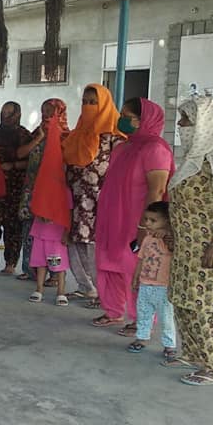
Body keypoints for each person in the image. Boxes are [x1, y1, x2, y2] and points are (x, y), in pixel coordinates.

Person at [92, 98, 174, 333]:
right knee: (109, 264)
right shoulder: (123, 147)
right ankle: (113, 311)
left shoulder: (155, 149)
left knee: (136, 270)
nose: (122, 120)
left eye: (128, 116)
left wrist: (145, 227)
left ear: (145, 119)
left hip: (137, 220)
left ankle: (142, 319)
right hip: (112, 217)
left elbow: (156, 190)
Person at [167, 96, 213, 384]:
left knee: (205, 305)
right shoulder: (191, 160)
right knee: (183, 300)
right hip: (185, 245)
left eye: (186, 119)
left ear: (204, 124)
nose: (180, 124)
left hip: (208, 249)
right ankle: (193, 353)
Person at [63, 85, 121, 307]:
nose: (88, 106)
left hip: (100, 201)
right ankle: (85, 287)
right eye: (85, 102)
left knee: (93, 246)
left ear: (105, 104)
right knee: (74, 242)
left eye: (93, 102)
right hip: (75, 199)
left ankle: (103, 292)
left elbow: (120, 169)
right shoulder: (78, 132)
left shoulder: (114, 136)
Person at [16, 99, 68, 282]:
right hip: (32, 189)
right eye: (44, 110)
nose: (46, 115)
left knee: (52, 236)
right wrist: (39, 137)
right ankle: (31, 270)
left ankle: (55, 274)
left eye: (51, 111)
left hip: (54, 193)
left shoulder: (66, 136)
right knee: (30, 231)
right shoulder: (36, 133)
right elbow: (21, 154)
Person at [0, 101, 32, 275]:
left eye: (10, 113)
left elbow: (33, 162)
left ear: (18, 114)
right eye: (4, 112)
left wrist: (13, 165)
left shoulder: (25, 136)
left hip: (15, 188)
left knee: (13, 226)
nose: (6, 116)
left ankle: (11, 263)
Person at [126, 202, 176, 358]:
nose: (148, 223)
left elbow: (176, 250)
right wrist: (135, 279)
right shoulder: (147, 239)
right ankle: (142, 338)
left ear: (167, 222)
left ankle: (169, 345)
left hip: (163, 286)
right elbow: (140, 260)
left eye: (154, 221)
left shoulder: (171, 239)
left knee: (166, 318)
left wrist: (168, 233)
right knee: (144, 313)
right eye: (146, 219)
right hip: (146, 284)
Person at [27, 189, 72, 306]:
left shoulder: (65, 191)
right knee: (40, 262)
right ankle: (39, 289)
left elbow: (69, 211)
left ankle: (61, 291)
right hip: (40, 232)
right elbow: (33, 206)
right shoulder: (41, 188)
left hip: (56, 234)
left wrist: (67, 232)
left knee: (58, 264)